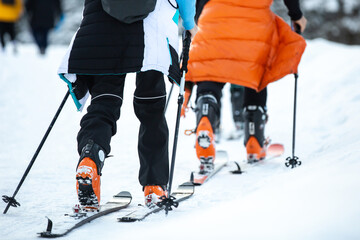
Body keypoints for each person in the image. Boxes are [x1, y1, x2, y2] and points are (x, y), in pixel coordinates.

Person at [57, 0, 196, 210]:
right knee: (151, 105)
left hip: (102, 25)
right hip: (151, 27)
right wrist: (188, 23)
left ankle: (90, 159)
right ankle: (154, 185)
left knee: (104, 101)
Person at [182, 0, 307, 169]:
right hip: (256, 20)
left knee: (211, 69)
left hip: (213, 15)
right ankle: (254, 139)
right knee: (255, 72)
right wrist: (296, 15)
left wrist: (198, 17)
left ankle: (206, 114)